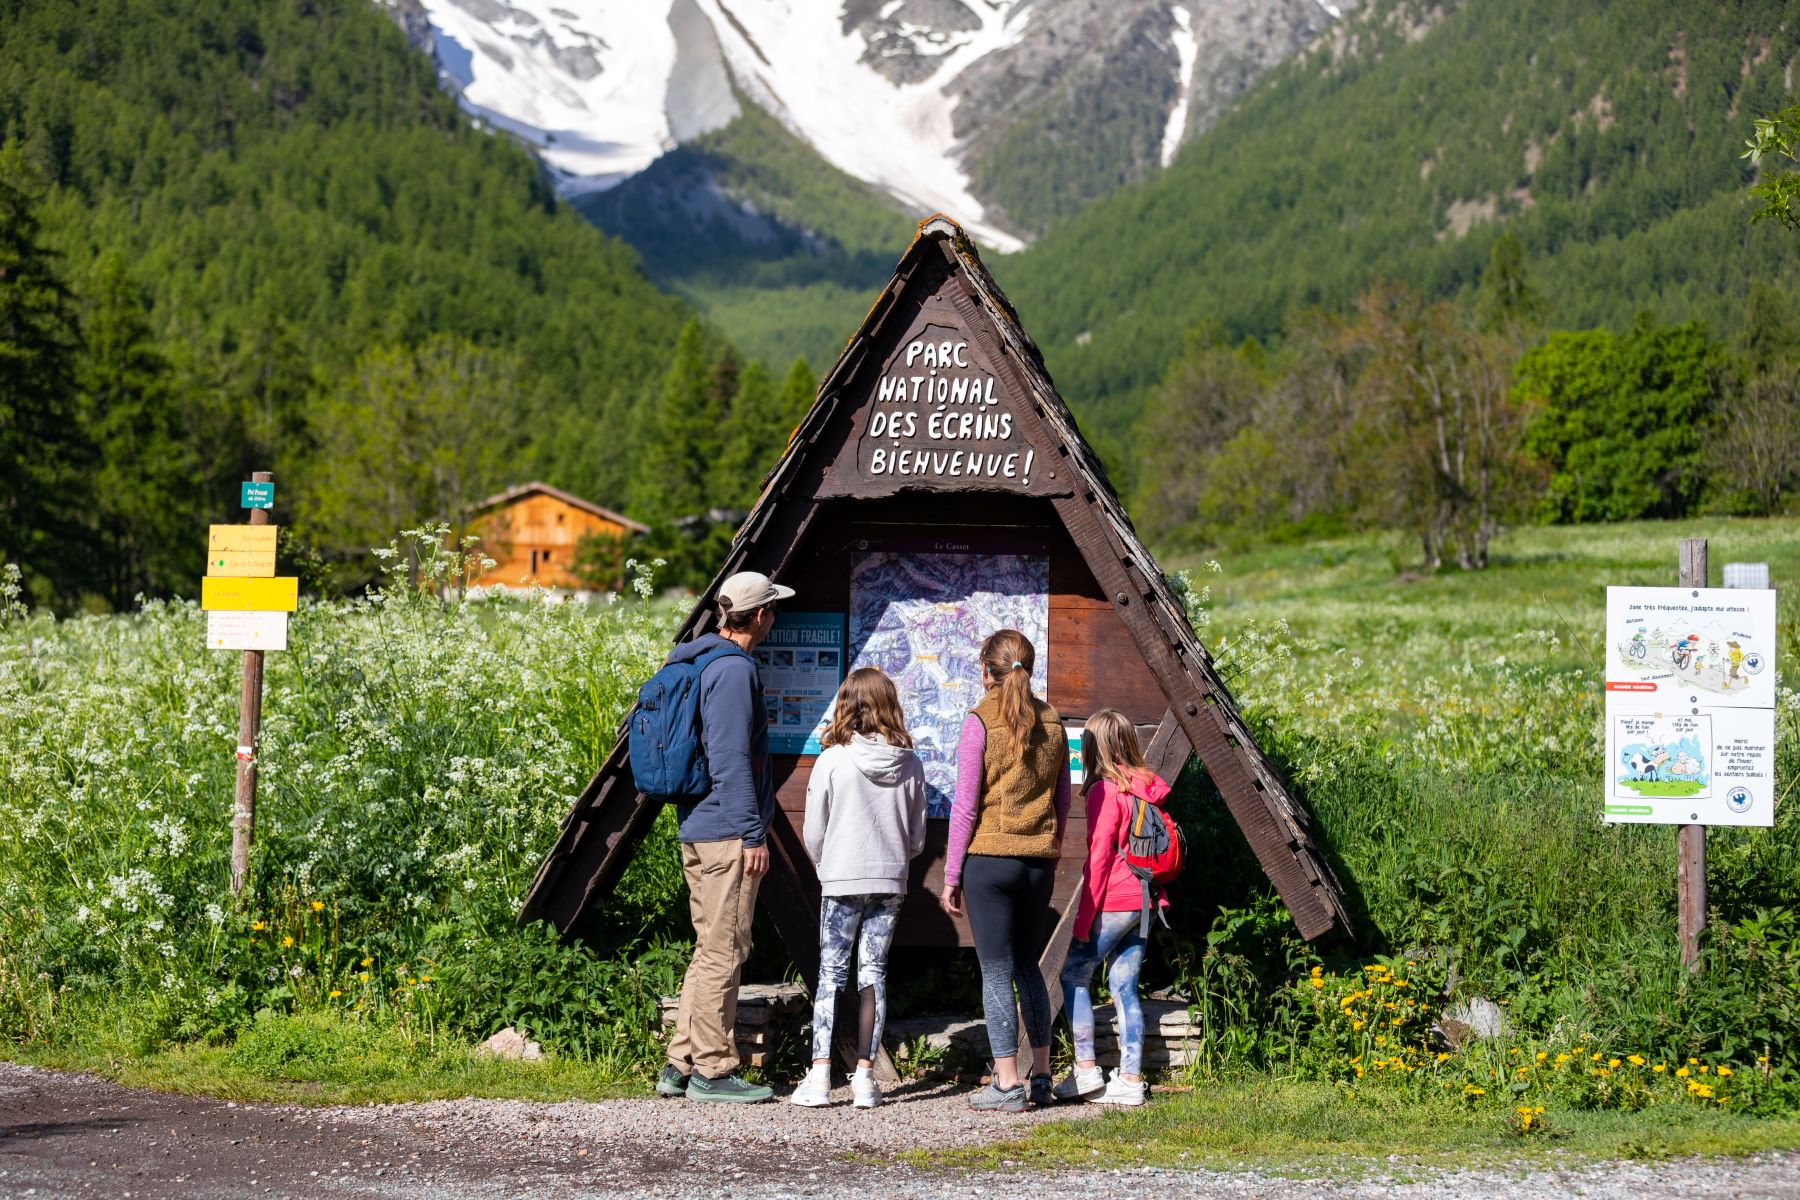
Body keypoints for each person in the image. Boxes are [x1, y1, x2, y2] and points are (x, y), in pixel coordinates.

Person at [657, 570, 794, 1104]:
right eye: (773, 611)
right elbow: (732, 761)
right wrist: (751, 833)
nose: (773, 619)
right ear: (759, 616)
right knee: (725, 950)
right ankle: (712, 1071)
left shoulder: (694, 658)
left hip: (697, 826)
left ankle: (679, 1062)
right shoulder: (734, 671)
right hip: (726, 831)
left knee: (708, 947)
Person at [939, 629, 1070, 1112]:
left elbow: (965, 809)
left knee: (995, 973)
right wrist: (1050, 848)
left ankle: (1006, 1083)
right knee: (1028, 970)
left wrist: (952, 875)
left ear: (984, 670)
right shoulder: (1052, 721)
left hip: (990, 862)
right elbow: (1062, 798)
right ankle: (1041, 1076)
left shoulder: (981, 721)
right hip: (1039, 861)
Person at [790, 667, 928, 1110]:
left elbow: (815, 830)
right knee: (874, 973)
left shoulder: (832, 759)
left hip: (842, 876)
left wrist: (826, 865)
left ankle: (820, 1077)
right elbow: (917, 839)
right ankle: (866, 1079)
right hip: (890, 878)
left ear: (847, 704)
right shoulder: (910, 763)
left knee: (831, 975)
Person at [1054, 708, 1171, 1107]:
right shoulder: (1147, 784)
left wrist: (1084, 920)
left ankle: (1086, 1071)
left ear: (1092, 747)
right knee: (1124, 987)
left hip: (1117, 900)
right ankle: (1130, 1079)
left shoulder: (1106, 790)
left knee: (1073, 976)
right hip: (1147, 900)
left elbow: (1100, 858)